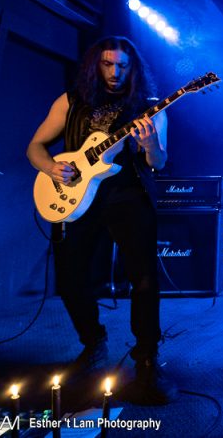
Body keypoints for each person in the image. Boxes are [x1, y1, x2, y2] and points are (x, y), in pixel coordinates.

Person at [26, 36, 175, 404]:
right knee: (69, 277)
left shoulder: (149, 109)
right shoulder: (70, 101)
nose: (115, 71)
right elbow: (35, 147)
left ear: (133, 68)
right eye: (108, 64)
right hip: (77, 197)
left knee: (144, 280)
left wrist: (150, 145)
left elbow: (158, 163)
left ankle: (147, 359)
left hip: (128, 197)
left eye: (122, 65)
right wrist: (51, 168)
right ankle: (93, 343)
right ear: (96, 65)